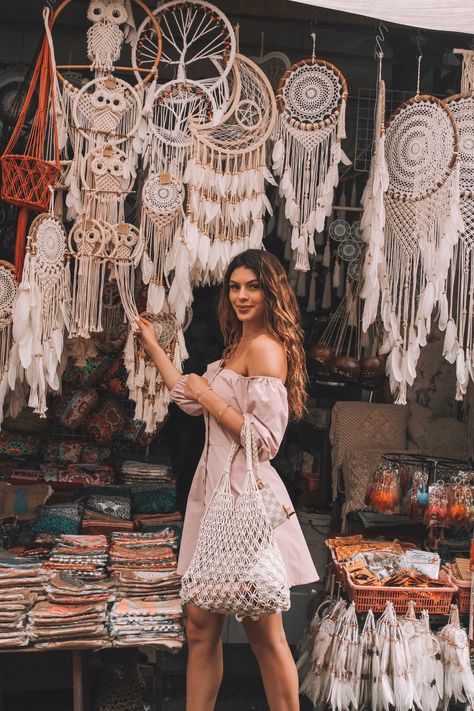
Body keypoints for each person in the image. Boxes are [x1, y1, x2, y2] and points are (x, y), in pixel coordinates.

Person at [136, 249, 318, 711]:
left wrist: (207, 395)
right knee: (200, 627)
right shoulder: (236, 348)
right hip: (212, 495)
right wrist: (153, 344)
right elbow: (189, 400)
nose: (240, 295)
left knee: (264, 634)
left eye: (252, 286)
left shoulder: (265, 349)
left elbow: (264, 440)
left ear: (270, 291)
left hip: (242, 500)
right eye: (234, 286)